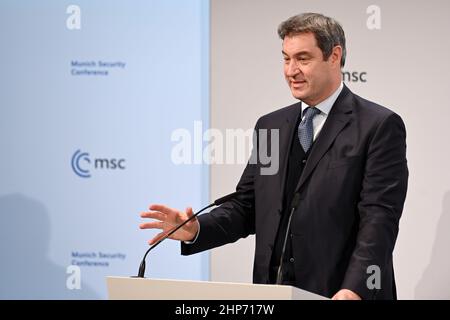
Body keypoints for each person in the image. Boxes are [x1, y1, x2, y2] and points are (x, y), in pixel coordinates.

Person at [139, 13, 408, 300]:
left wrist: (355, 288)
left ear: (334, 56)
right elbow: (248, 207)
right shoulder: (271, 126)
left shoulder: (378, 125)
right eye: (286, 59)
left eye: (303, 59)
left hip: (340, 293)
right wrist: (196, 229)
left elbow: (379, 219)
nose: (291, 70)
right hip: (274, 293)